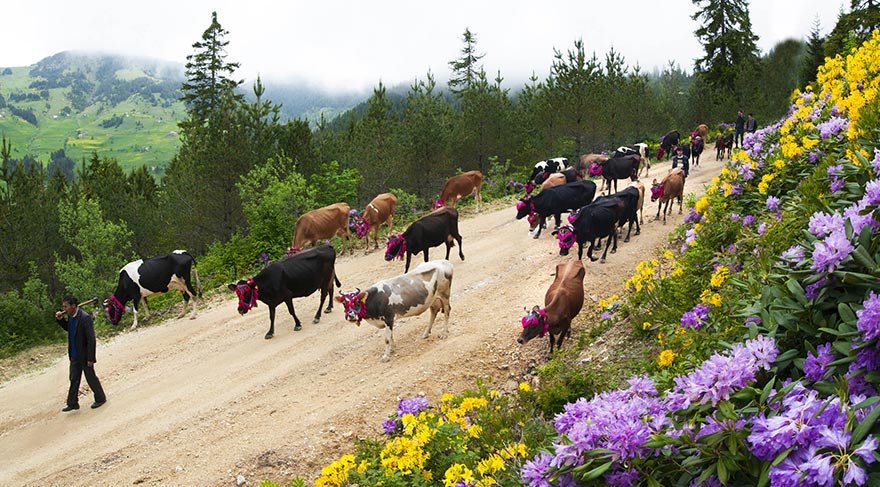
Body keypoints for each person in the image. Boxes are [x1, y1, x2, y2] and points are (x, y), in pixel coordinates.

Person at [56, 295, 106, 412]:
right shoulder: (71, 317)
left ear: (73, 306)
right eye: (63, 307)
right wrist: (60, 320)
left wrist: (91, 358)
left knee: (90, 377)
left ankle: (100, 398)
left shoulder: (84, 318)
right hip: (74, 355)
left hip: (84, 355)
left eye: (66, 306)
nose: (64, 309)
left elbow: (91, 339)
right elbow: (69, 329)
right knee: (74, 378)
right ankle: (72, 403)